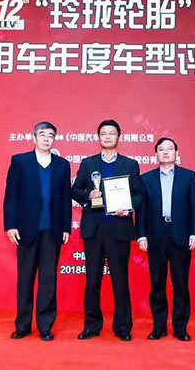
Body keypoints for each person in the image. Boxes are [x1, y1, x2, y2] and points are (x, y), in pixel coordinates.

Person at [72, 119, 143, 341]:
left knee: (120, 280)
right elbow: (75, 190)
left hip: (119, 229)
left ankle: (123, 327)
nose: (108, 136)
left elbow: (139, 195)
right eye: (104, 133)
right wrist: (88, 195)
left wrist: (128, 207)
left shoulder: (130, 164)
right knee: (93, 280)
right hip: (94, 230)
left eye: (112, 133)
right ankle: (92, 325)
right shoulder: (88, 163)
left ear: (119, 137)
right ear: (99, 137)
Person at [3, 121, 72, 341]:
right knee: (25, 279)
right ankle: (22, 325)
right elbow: (11, 196)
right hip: (26, 229)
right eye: (42, 135)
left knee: (48, 280)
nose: (46, 139)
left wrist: (66, 227)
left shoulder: (62, 165)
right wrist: (11, 225)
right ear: (34, 138)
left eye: (50, 135)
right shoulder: (20, 161)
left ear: (54, 140)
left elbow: (65, 198)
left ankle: (45, 326)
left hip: (53, 230)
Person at [137, 137, 195, 341]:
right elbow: (141, 211)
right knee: (157, 284)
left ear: (176, 153)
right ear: (156, 154)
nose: (165, 152)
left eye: (170, 149)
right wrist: (141, 235)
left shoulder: (188, 177)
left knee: (180, 284)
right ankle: (159, 327)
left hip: (181, 236)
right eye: (161, 149)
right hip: (155, 237)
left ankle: (181, 328)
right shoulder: (146, 179)